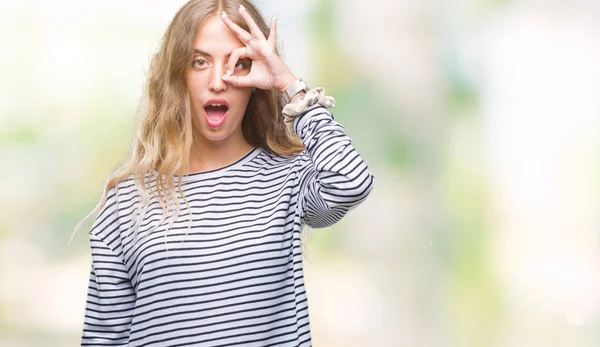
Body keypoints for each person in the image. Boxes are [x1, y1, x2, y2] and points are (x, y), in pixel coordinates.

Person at [75, 0, 374, 346]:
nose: (218, 81)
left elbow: (351, 182)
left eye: (239, 63)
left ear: (255, 81)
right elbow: (102, 339)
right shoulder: (126, 201)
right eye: (199, 62)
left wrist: (291, 87)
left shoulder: (287, 179)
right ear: (178, 76)